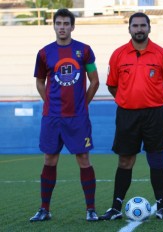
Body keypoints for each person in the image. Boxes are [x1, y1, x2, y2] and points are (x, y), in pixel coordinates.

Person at [98, 12, 163, 221]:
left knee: (156, 160)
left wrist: (155, 100)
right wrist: (127, 100)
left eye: (143, 25)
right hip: (127, 115)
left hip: (154, 114)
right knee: (125, 161)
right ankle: (115, 207)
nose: (139, 29)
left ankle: (162, 207)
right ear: (129, 29)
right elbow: (112, 85)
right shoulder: (118, 55)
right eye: (135, 26)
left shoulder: (162, 54)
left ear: (149, 28)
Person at [29, 8, 100, 222]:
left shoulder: (85, 51)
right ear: (53, 25)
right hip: (52, 117)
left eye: (66, 23)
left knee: (83, 158)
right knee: (50, 158)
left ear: (72, 26)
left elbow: (95, 81)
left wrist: (82, 104)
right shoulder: (44, 53)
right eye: (58, 23)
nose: (62, 27)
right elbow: (40, 82)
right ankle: (44, 209)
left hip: (77, 117)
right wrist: (50, 103)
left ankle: (91, 210)